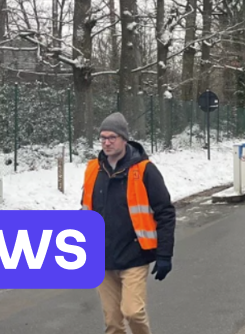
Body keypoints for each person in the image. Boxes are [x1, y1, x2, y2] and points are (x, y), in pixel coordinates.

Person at [82, 113, 176, 334]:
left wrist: (164, 255)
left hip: (134, 255)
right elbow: (86, 211)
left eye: (112, 137)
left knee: (132, 312)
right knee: (113, 322)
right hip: (102, 258)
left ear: (124, 139)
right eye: (103, 137)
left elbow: (165, 212)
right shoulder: (92, 169)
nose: (107, 142)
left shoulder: (144, 170)